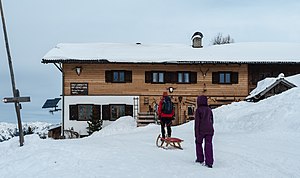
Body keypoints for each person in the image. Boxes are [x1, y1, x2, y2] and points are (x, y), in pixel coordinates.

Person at [194, 95, 214, 168]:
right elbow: (212, 120)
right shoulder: (209, 109)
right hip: (210, 130)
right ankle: (209, 162)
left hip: (201, 130)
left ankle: (200, 158)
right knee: (208, 144)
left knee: (198, 143)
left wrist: (196, 134)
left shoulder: (198, 110)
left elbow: (197, 123)